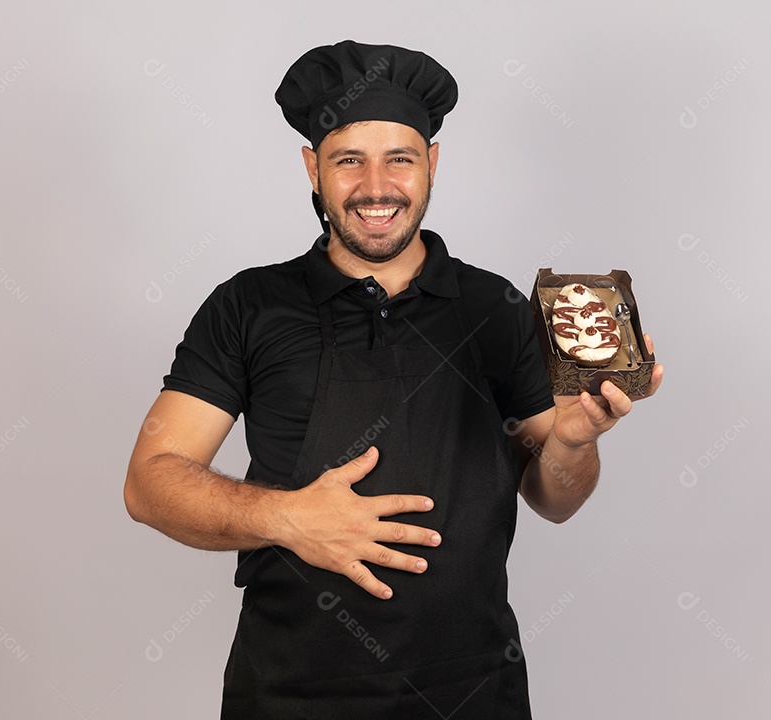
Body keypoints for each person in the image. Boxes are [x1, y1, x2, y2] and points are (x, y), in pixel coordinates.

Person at [124, 40, 663, 719]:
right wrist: (286, 517)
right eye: (349, 160)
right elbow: (149, 484)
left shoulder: (493, 310)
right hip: (290, 698)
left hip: (474, 695)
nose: (376, 187)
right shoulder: (247, 306)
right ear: (311, 169)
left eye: (399, 159)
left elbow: (555, 499)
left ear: (431, 164)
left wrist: (577, 442)